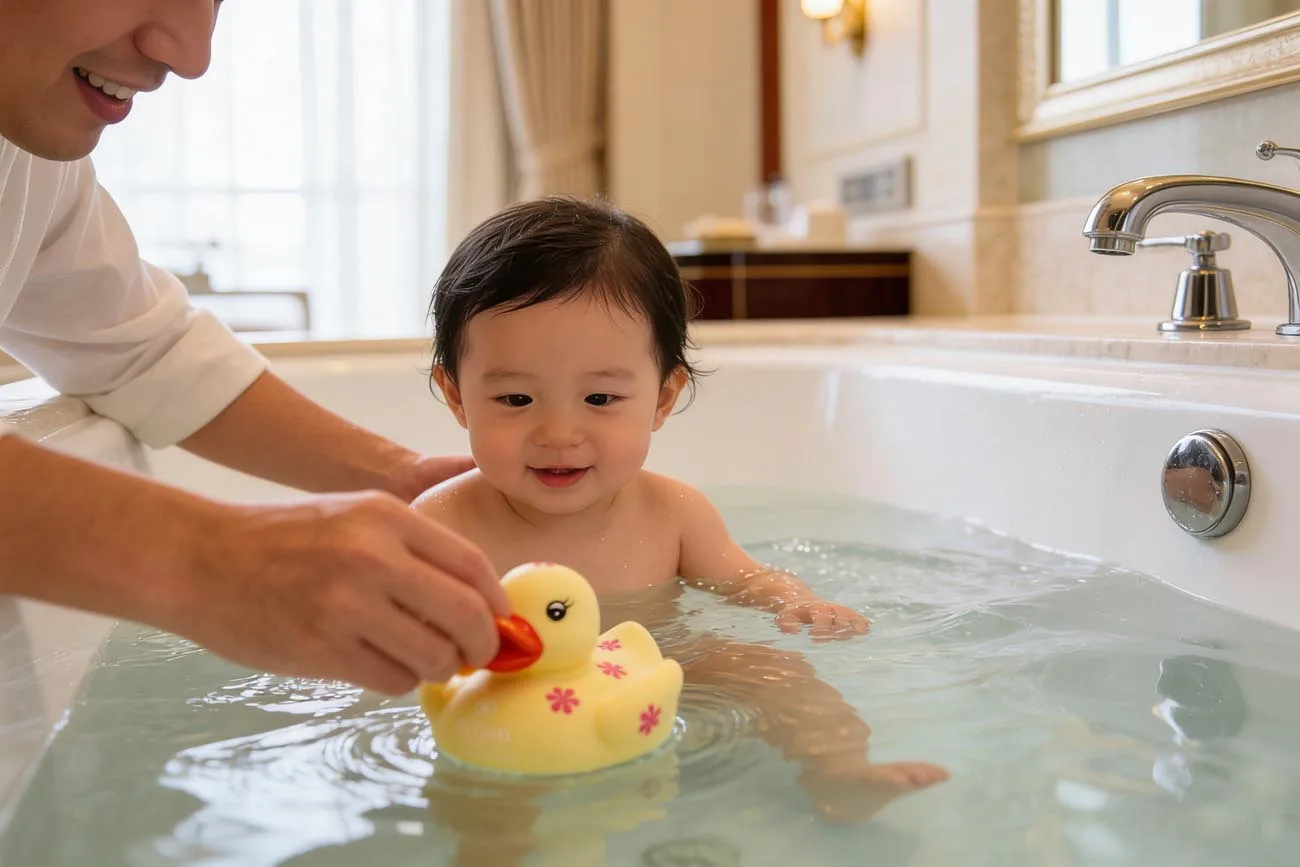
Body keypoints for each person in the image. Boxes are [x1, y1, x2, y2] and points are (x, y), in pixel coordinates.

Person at [0, 0, 509, 695]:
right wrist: (213, 561)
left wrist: (405, 479)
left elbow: (141, 350)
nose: (191, 54)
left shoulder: (26, 159)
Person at [412, 195, 949, 850]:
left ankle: (838, 771)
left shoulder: (673, 512)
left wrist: (797, 599)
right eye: (516, 398)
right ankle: (496, 841)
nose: (557, 432)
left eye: (601, 398)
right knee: (483, 772)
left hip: (666, 675)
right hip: (512, 701)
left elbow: (745, 579)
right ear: (455, 395)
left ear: (663, 397)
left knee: (769, 669)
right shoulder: (440, 523)